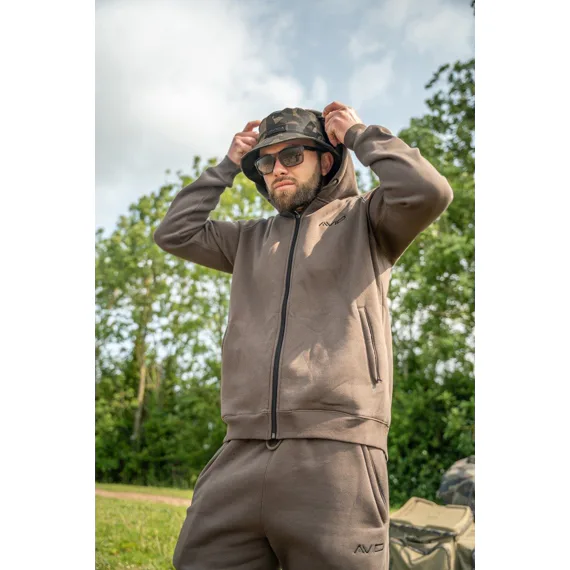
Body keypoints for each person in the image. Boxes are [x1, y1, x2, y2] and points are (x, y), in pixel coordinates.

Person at [154, 101, 453, 570]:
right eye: (266, 161)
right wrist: (227, 165)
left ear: (327, 160)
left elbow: (429, 191)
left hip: (337, 455)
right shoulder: (248, 239)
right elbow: (174, 232)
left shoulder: (368, 219)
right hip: (240, 449)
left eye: (293, 156)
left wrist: (357, 133)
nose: (277, 169)